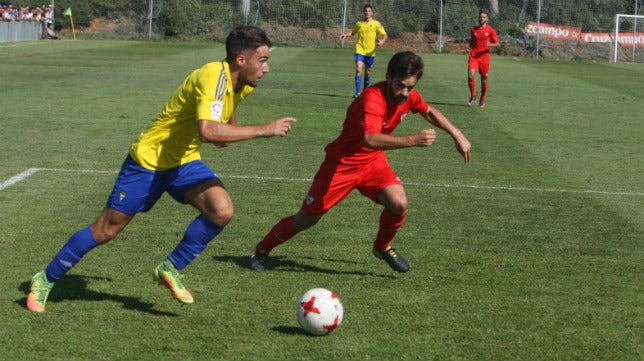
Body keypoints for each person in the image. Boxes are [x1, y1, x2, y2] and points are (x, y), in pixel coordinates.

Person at [26, 26, 296, 313]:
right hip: (149, 161)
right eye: (263, 60)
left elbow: (225, 110)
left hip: (183, 160)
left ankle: (170, 267)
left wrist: (227, 128)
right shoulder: (212, 76)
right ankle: (45, 279)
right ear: (241, 59)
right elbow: (207, 130)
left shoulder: (244, 83)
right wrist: (262, 130)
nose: (266, 68)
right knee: (106, 230)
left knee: (222, 210)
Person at [249, 51, 471, 273]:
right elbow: (371, 139)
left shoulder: (408, 95)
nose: (404, 93)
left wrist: (457, 134)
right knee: (306, 219)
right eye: (400, 86)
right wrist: (413, 140)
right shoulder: (372, 100)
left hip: (372, 162)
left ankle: (382, 247)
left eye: (410, 87)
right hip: (342, 164)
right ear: (389, 76)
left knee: (399, 203)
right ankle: (261, 250)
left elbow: (428, 111)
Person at [340, 4, 388, 98]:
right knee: (358, 69)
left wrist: (382, 41)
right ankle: (358, 93)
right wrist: (346, 35)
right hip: (360, 50)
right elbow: (353, 32)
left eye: (369, 11)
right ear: (364, 12)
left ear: (372, 13)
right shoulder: (359, 23)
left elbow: (385, 35)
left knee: (368, 72)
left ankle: (365, 91)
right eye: (365, 11)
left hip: (370, 52)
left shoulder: (376, 24)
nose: (367, 12)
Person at [466, 10, 499, 108]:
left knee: (484, 79)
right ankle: (473, 96)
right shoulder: (473, 30)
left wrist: (490, 44)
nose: (482, 18)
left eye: (484, 17)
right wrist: (469, 47)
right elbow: (472, 42)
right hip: (474, 56)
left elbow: (497, 43)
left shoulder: (490, 30)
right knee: (470, 74)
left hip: (484, 58)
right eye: (480, 17)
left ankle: (482, 99)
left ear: (487, 19)